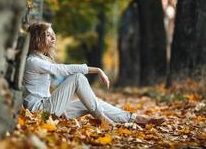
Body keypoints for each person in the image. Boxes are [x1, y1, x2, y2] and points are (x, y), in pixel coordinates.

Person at [22, 21, 164, 127]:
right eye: (48, 35)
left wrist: (59, 108)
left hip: (46, 108)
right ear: (37, 39)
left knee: (93, 102)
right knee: (77, 77)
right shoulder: (33, 61)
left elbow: (43, 93)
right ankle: (105, 120)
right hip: (38, 113)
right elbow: (62, 70)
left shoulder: (41, 59)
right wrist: (97, 69)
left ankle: (137, 119)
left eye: (53, 34)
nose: (53, 38)